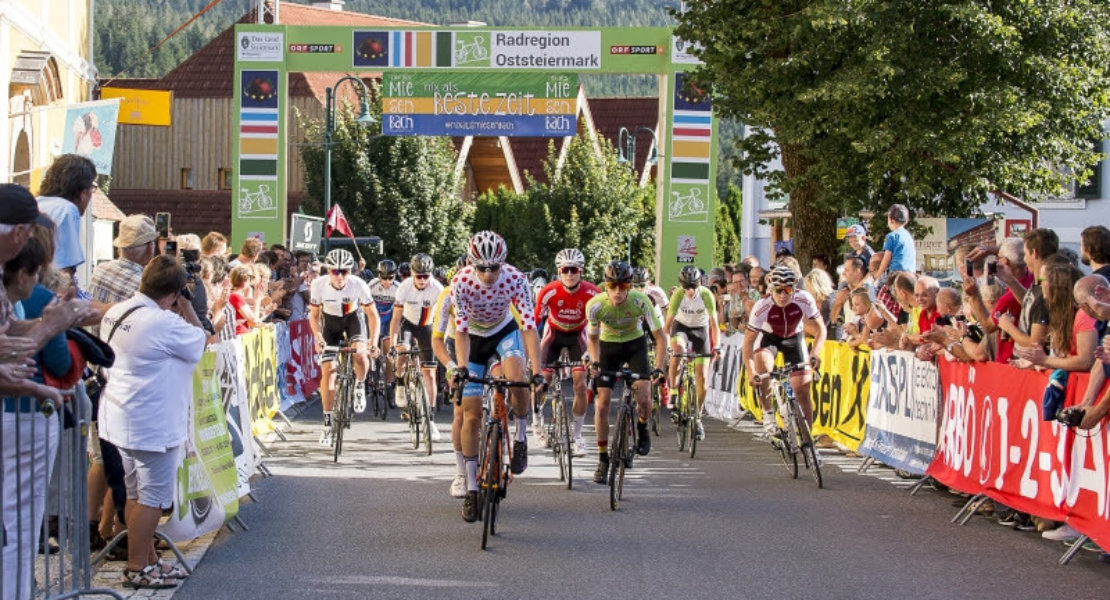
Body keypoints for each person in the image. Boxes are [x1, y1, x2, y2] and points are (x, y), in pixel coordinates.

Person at [98, 256, 205, 589]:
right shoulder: (164, 322)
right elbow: (200, 341)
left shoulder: (118, 312)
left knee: (134, 493)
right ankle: (137, 566)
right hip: (153, 420)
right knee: (153, 499)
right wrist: (187, 308)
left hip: (119, 416)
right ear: (174, 293)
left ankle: (147, 559)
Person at [449, 231, 544, 522]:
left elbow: (528, 325)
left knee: (516, 377)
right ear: (472, 265)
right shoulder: (461, 282)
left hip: (504, 331)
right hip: (474, 338)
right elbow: (461, 331)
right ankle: (472, 487)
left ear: (503, 264)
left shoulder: (515, 278)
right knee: (471, 414)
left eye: (494, 267)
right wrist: (462, 367)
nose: (488, 274)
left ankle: (521, 436)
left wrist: (537, 372)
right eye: (482, 268)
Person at [585, 260, 667, 484]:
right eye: (612, 287)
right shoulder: (595, 305)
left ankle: (642, 427)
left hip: (635, 345)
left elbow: (660, 338)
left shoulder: (641, 302)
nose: (618, 292)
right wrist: (594, 362)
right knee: (602, 404)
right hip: (608, 347)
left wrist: (658, 367)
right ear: (605, 286)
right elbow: (592, 338)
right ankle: (602, 459)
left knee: (644, 397)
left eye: (623, 287)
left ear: (630, 286)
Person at [742, 266, 827, 435]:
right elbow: (748, 343)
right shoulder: (761, 306)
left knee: (802, 390)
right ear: (771, 289)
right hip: (770, 337)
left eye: (787, 290)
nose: (783, 295)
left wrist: (815, 353)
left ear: (794, 289)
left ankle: (807, 439)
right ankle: (768, 414)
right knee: (763, 368)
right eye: (778, 290)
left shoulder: (804, 299)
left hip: (794, 337)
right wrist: (751, 372)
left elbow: (821, 329)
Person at [309, 249, 380, 445]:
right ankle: (327, 424)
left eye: (345, 272)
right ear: (328, 270)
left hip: (353, 320)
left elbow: (373, 315)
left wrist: (373, 342)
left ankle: (359, 384)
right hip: (329, 324)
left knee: (360, 354)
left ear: (351, 271)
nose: (340, 276)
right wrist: (317, 337)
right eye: (335, 271)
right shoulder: (318, 285)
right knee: (328, 371)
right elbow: (314, 316)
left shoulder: (359, 285)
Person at [533, 248, 599, 455]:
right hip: (553, 334)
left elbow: (602, 325)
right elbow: (534, 323)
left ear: (581, 271)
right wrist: (531, 355)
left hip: (577, 335)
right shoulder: (549, 291)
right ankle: (537, 423)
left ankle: (577, 437)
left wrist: (594, 353)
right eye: (565, 270)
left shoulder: (593, 292)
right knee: (542, 381)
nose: (569, 274)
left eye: (574, 270)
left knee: (580, 384)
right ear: (559, 271)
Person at [389, 253, 444, 434]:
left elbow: (446, 318)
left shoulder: (437, 288)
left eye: (426, 276)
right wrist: (392, 344)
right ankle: (399, 384)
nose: (422, 280)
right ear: (412, 273)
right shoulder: (404, 287)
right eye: (418, 276)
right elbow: (396, 319)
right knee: (402, 351)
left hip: (427, 327)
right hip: (408, 324)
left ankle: (430, 419)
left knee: (429, 374)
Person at [664, 265, 718, 439]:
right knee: (678, 351)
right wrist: (668, 347)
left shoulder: (706, 295)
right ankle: (673, 391)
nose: (690, 291)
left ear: (699, 283)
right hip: (681, 327)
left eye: (693, 286)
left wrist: (716, 347)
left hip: (700, 330)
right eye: (686, 287)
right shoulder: (678, 295)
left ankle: (698, 417)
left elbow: (714, 324)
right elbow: (667, 326)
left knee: (702, 378)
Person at [35, 154, 97, 282]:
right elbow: (65, 271)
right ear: (83, 193)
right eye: (92, 188)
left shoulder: (36, 203)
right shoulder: (68, 210)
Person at [368, 259, 399, 394]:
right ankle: (369, 374)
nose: (387, 281)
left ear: (395, 276)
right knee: (369, 345)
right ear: (378, 275)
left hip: (388, 319)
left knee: (388, 349)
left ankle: (389, 381)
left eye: (390, 278)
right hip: (373, 317)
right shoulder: (372, 285)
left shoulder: (398, 288)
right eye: (383, 278)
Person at [876, 204, 916, 283]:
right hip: (911, 274)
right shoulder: (909, 236)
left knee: (875, 288)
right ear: (906, 221)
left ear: (891, 220)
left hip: (896, 274)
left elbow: (886, 259)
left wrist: (877, 276)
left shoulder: (891, 236)